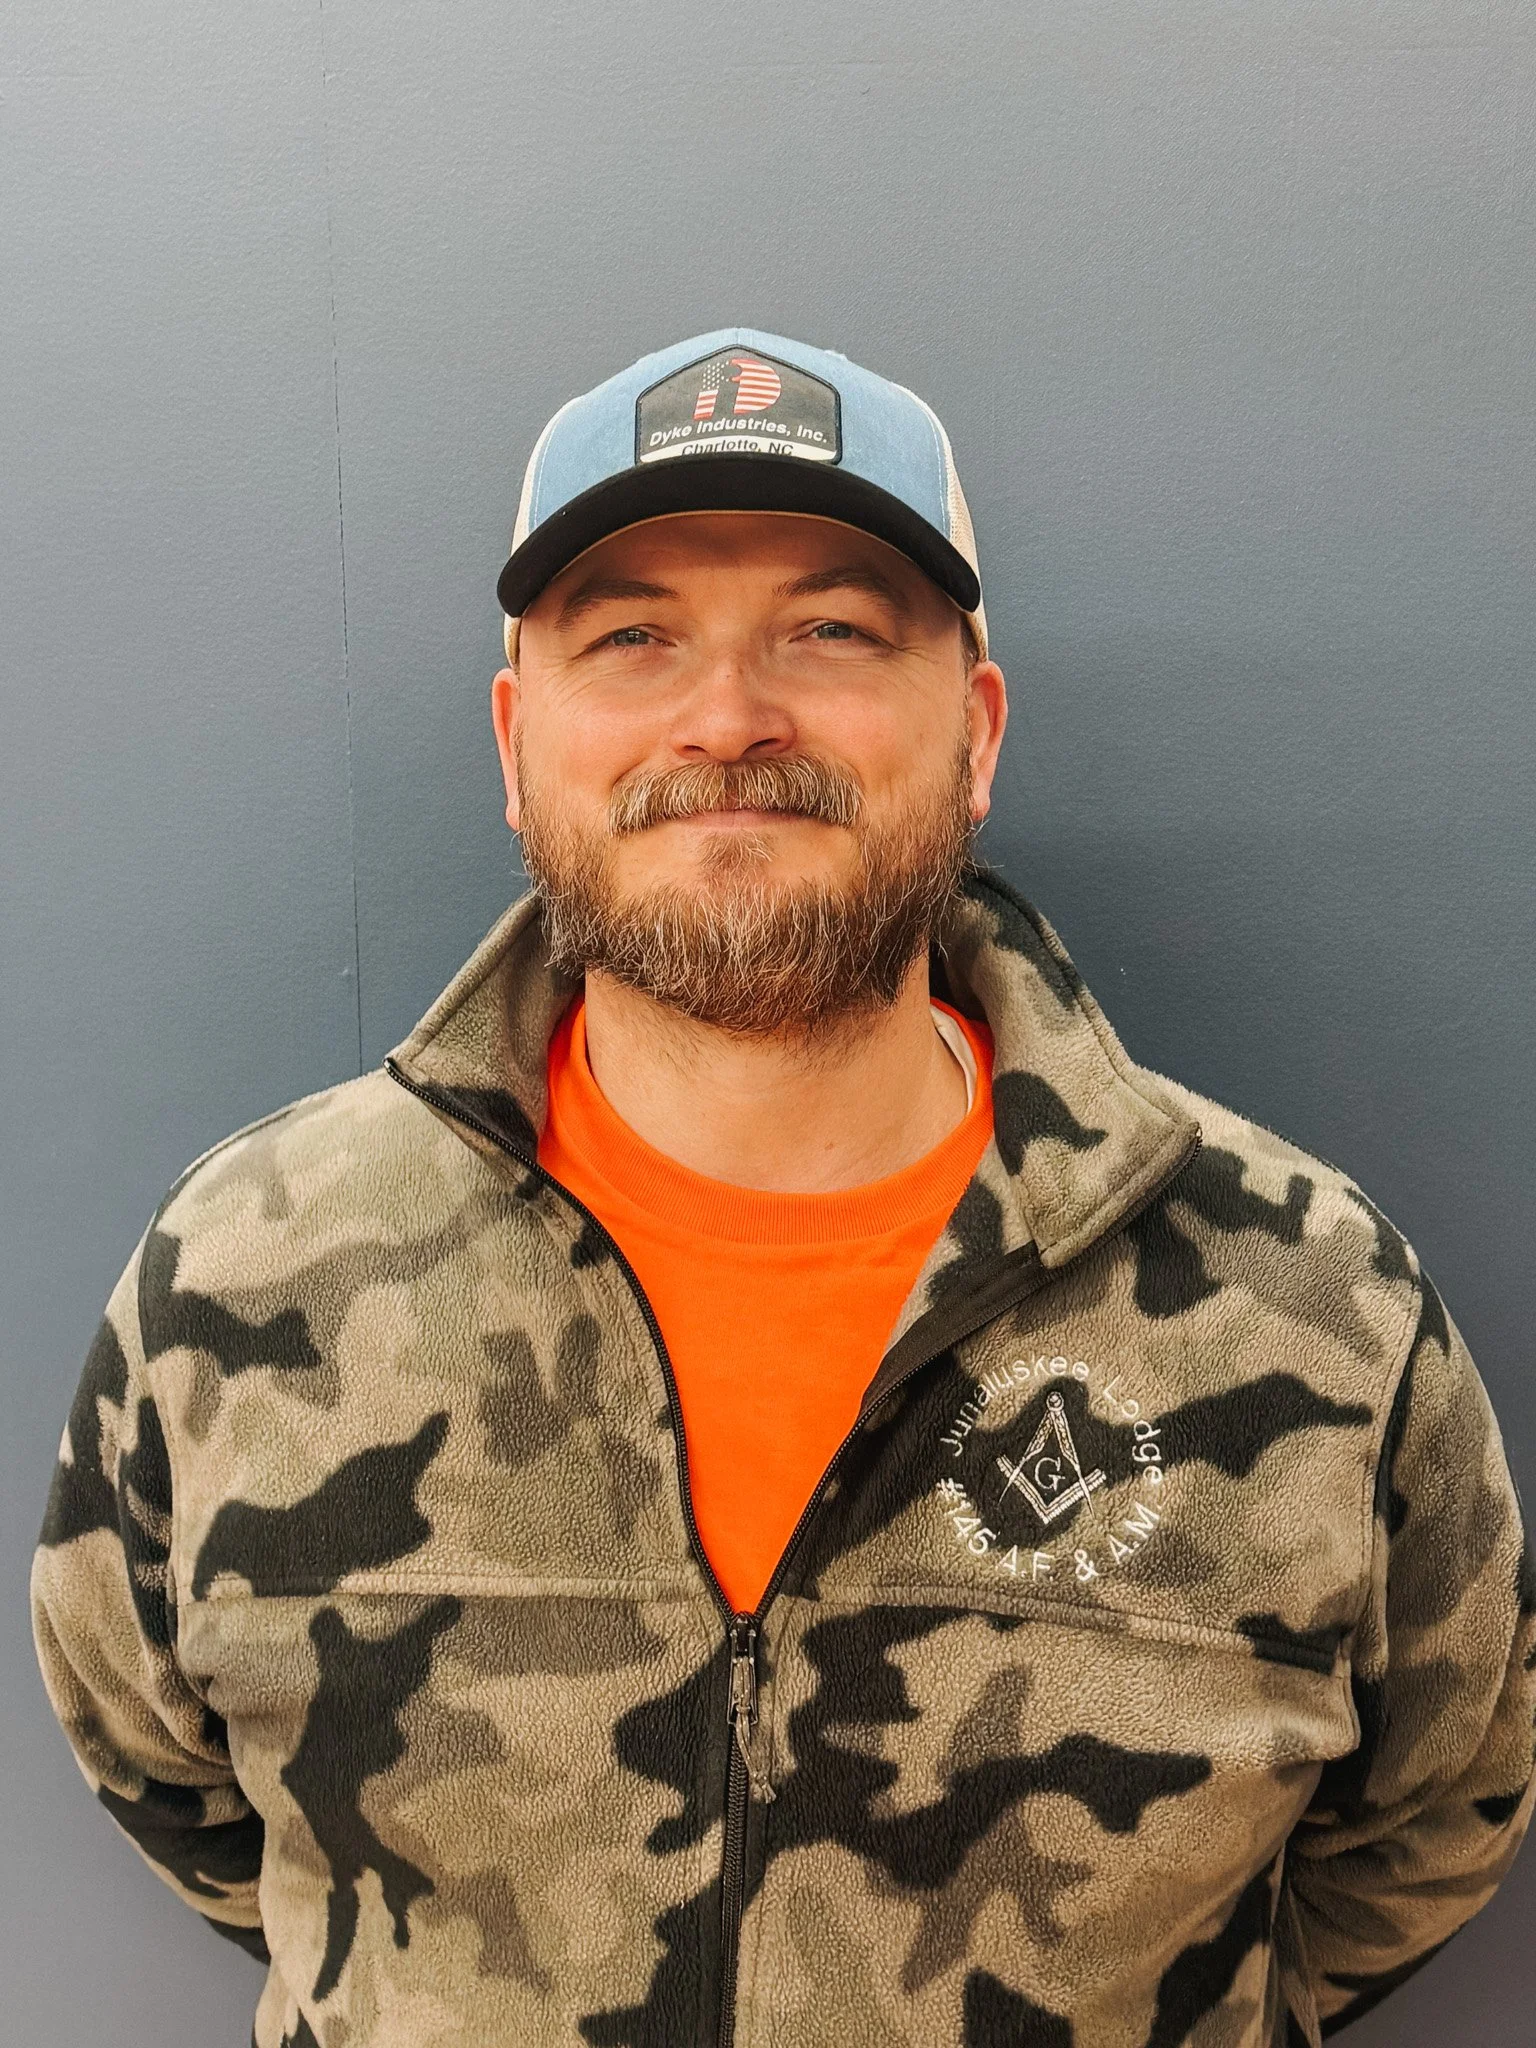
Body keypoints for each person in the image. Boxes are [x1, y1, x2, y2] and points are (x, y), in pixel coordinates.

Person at [32, 328, 1534, 2048]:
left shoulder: (1317, 1310)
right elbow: (165, 1775)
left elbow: (1430, 1828)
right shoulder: (241, 1281)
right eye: (633, 635)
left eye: (831, 629)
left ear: (971, 732)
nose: (729, 716)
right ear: (521, 741)